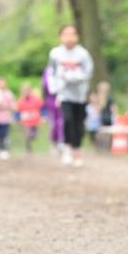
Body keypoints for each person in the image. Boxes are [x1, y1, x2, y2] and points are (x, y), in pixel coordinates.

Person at [48, 24, 94, 166]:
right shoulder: (55, 53)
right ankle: (67, 147)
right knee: (67, 120)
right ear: (61, 36)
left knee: (78, 123)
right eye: (66, 34)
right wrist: (54, 89)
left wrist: (73, 77)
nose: (69, 37)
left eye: (72, 34)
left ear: (77, 36)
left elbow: (88, 72)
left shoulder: (83, 54)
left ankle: (77, 149)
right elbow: (51, 73)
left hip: (80, 95)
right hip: (64, 94)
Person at [41, 62, 64, 154]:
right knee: (53, 122)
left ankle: (61, 141)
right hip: (51, 99)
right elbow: (44, 86)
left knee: (61, 121)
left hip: (62, 97)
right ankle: (54, 142)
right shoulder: (48, 71)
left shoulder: (62, 68)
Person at [0, 77, 16, 159]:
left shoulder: (8, 93)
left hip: (5, 118)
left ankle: (4, 150)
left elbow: (13, 105)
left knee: (4, 134)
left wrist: (5, 107)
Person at [17, 84, 42, 154]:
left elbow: (41, 108)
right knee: (28, 134)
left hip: (35, 121)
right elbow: (18, 111)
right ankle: (28, 148)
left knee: (35, 135)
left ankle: (29, 146)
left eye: (27, 90)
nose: (26, 92)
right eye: (24, 91)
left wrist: (43, 117)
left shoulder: (36, 99)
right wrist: (17, 119)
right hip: (26, 122)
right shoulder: (21, 100)